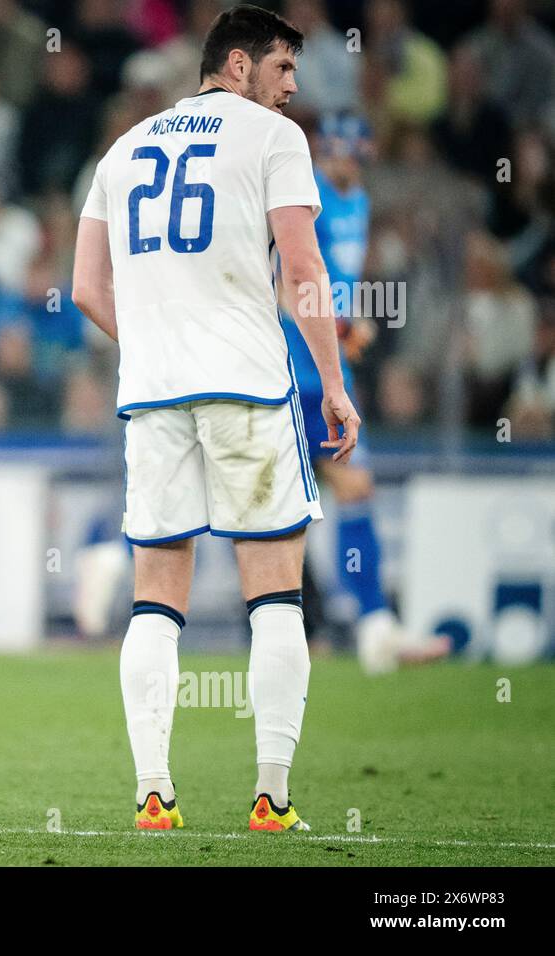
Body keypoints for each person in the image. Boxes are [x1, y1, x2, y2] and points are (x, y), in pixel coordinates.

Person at [71, 5, 359, 832]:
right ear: (238, 64)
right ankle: (272, 798)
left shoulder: (122, 150)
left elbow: (89, 289)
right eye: (282, 71)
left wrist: (163, 340)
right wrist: (333, 385)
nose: (292, 90)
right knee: (274, 595)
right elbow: (302, 268)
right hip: (247, 386)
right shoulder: (274, 141)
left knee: (156, 598)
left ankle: (152, 795)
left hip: (153, 393)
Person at [281, 113, 450, 674]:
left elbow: (334, 284)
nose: (341, 161)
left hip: (329, 375)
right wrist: (344, 329)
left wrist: (350, 324)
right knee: (265, 503)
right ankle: (120, 558)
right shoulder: (305, 196)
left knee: (349, 490)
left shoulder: (361, 203)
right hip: (293, 373)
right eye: (333, 151)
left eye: (351, 152)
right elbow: (288, 283)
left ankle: (373, 626)